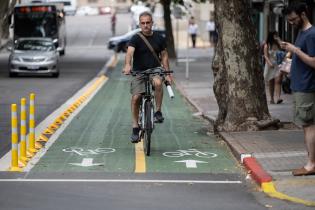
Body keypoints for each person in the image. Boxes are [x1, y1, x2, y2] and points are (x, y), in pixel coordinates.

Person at [123, 11, 173, 143]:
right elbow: (129, 53)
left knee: (157, 82)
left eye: (148, 22)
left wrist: (167, 74)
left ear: (152, 23)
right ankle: (135, 127)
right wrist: (128, 65)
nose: (145, 25)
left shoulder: (159, 38)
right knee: (136, 97)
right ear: (140, 24)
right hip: (139, 72)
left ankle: (158, 112)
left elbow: (165, 56)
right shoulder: (135, 38)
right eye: (143, 23)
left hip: (155, 69)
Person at [280, 2, 315, 176]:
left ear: (303, 14)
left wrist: (295, 50)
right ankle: (311, 161)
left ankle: (311, 164)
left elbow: (313, 61)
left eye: (293, 19)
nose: (291, 23)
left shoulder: (311, 34)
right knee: (306, 124)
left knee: (309, 125)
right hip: (300, 85)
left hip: (307, 87)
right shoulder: (302, 32)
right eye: (289, 20)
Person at [263, 31, 284, 104]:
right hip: (270, 65)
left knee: (278, 81)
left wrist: (279, 40)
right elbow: (265, 56)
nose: (276, 36)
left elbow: (283, 47)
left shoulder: (278, 44)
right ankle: (272, 98)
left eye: (276, 35)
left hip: (278, 64)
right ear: (271, 36)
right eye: (275, 35)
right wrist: (269, 63)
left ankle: (278, 98)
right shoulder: (267, 45)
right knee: (271, 82)